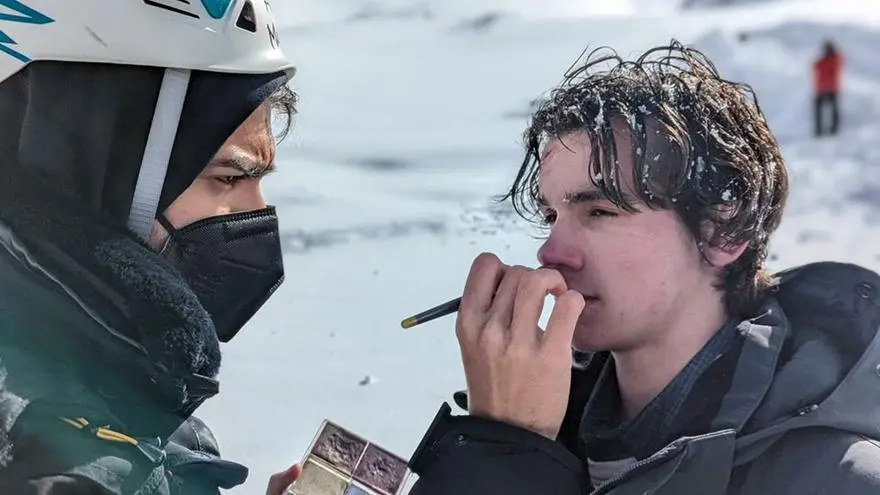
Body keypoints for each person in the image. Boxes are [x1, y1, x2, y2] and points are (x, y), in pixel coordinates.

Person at [406, 41, 880, 494]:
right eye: (552, 216)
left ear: (721, 233)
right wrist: (507, 448)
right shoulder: (555, 431)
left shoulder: (836, 481)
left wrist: (506, 453)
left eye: (600, 211)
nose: (551, 254)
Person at [0, 1, 303, 493]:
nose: (256, 215)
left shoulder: (117, 395)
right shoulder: (44, 455)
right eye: (227, 178)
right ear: (92, 164)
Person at [813, 39, 843, 137]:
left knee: (821, 110)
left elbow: (815, 65)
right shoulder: (836, 60)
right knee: (834, 110)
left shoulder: (826, 61)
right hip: (831, 89)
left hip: (822, 89)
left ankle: (820, 130)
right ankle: (833, 129)